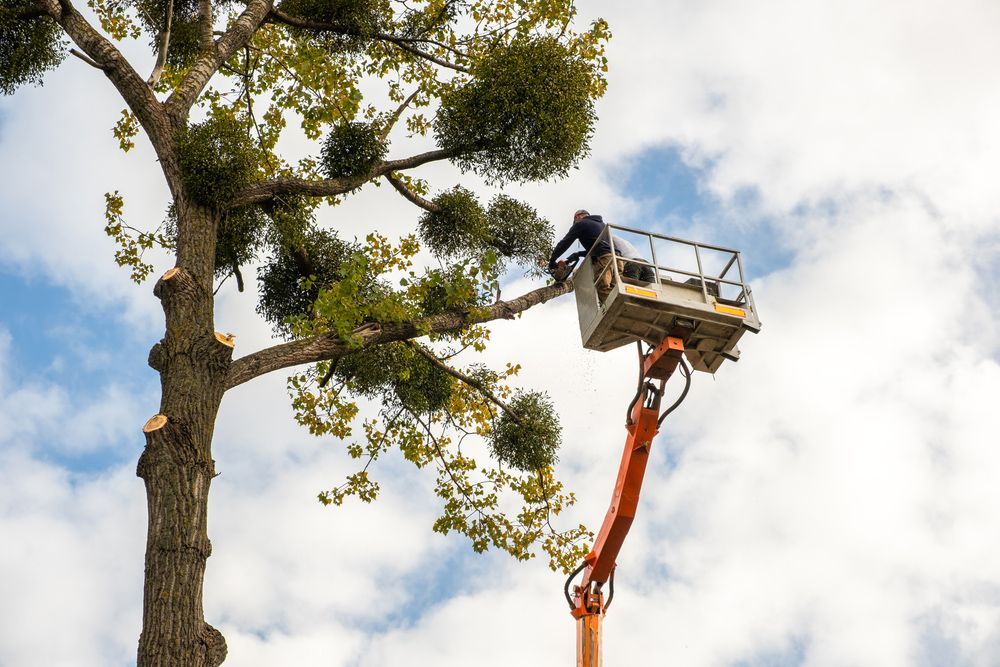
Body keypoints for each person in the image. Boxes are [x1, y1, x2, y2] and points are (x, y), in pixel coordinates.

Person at [548, 210, 623, 291]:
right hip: (618, 260)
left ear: (577, 216)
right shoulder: (602, 225)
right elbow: (601, 246)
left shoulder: (581, 224)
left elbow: (564, 243)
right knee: (616, 290)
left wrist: (552, 260)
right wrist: (578, 254)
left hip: (605, 259)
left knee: (603, 289)